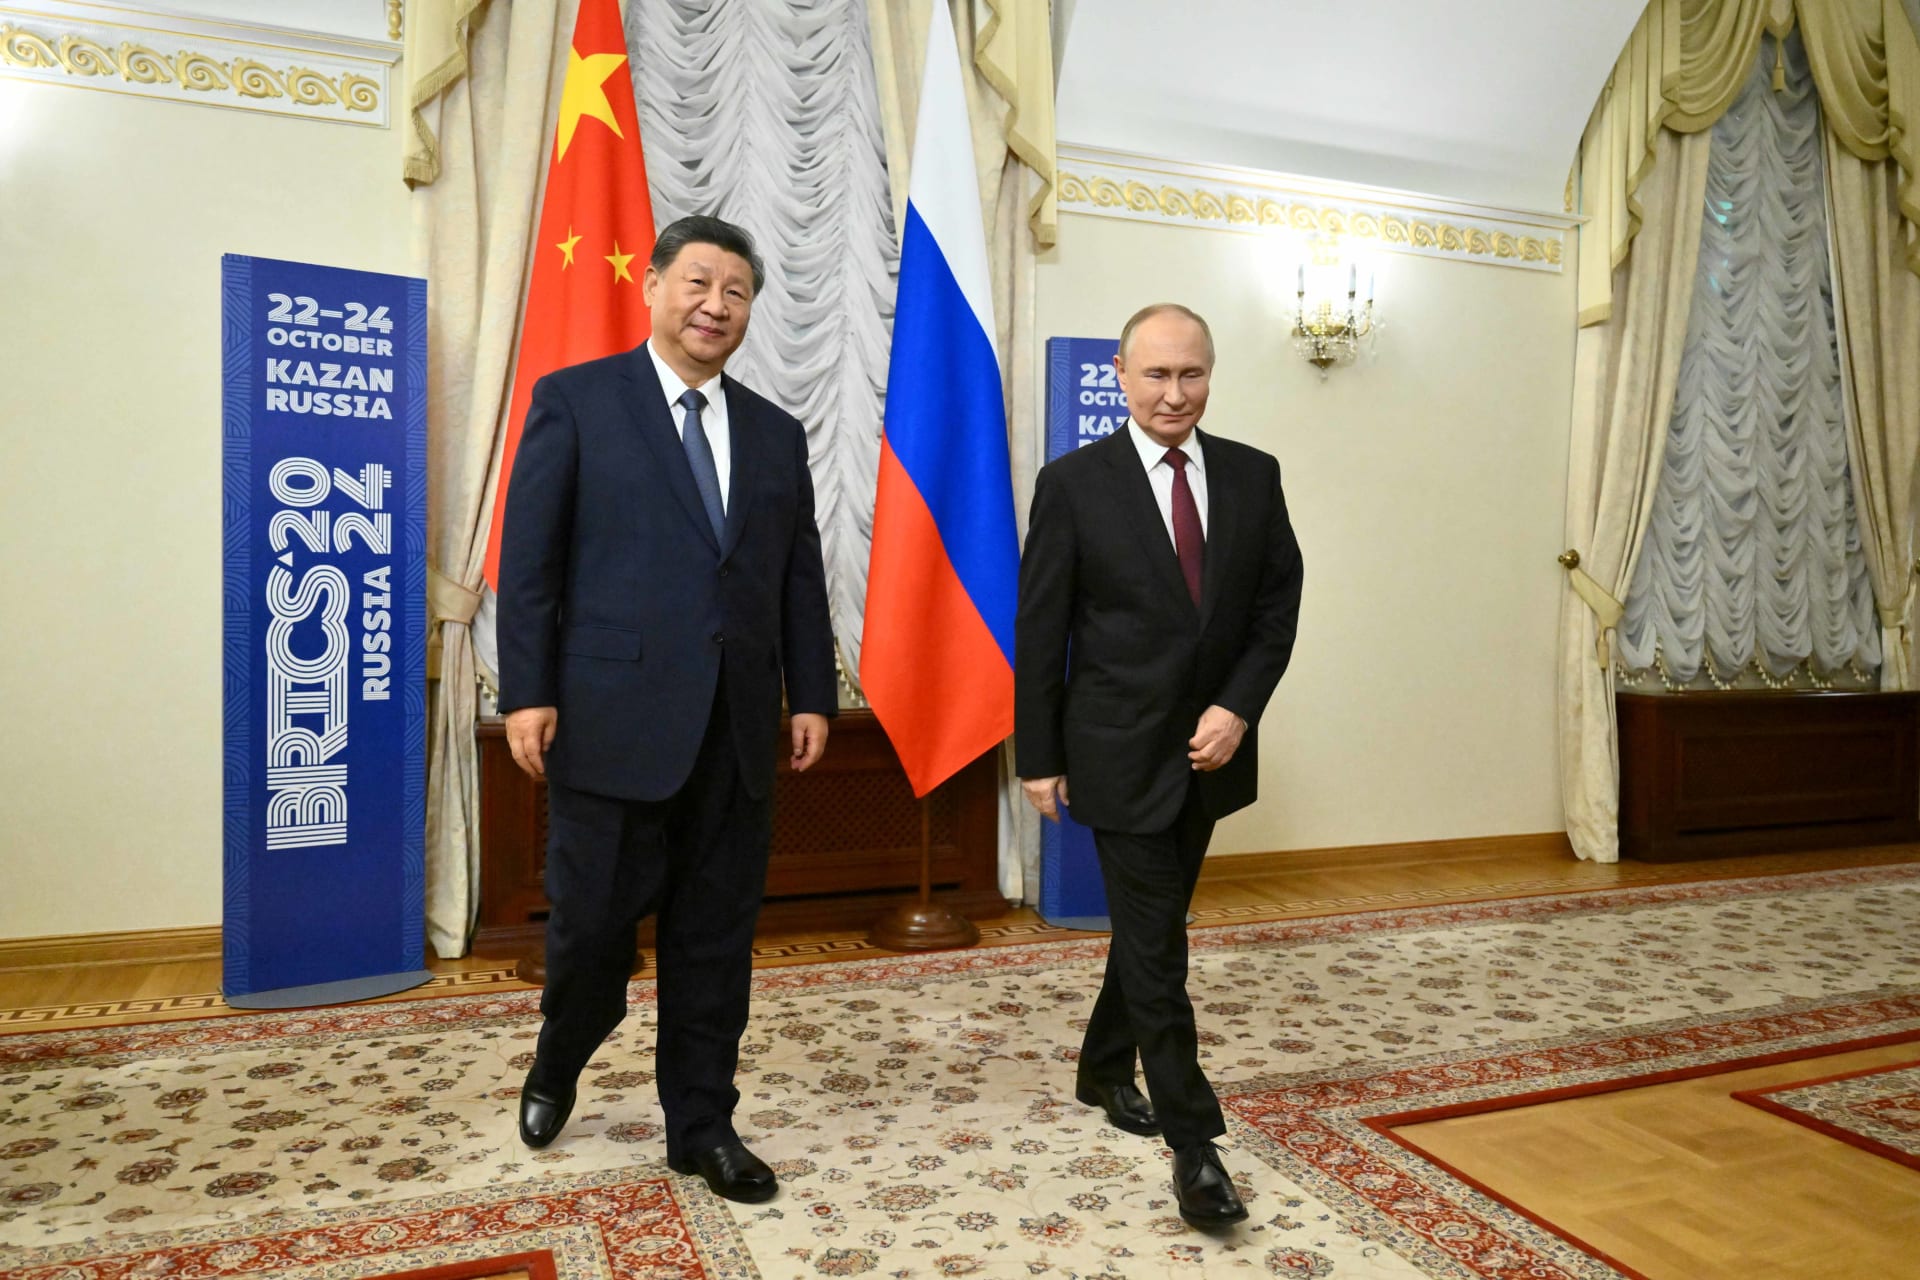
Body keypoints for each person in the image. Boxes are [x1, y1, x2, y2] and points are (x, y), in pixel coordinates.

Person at [496, 214, 836, 1205]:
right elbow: (531, 563)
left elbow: (798, 576)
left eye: (735, 291)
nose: (714, 305)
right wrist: (528, 689)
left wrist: (811, 692)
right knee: (591, 935)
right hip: (607, 721)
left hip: (735, 729)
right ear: (651, 285)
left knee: (714, 941)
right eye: (697, 282)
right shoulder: (576, 400)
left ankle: (702, 1125)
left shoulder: (776, 432)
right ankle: (561, 1053)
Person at [1014, 303, 1303, 1229]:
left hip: (1211, 753)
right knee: (1160, 950)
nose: (1174, 394)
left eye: (1191, 375)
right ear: (1122, 376)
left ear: (1210, 374)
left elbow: (1277, 609)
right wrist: (1038, 755)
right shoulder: (1073, 484)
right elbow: (1041, 628)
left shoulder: (1254, 475)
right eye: (1155, 375)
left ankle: (1103, 1069)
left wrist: (1237, 709)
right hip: (1114, 752)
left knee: (1151, 929)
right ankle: (1195, 1145)